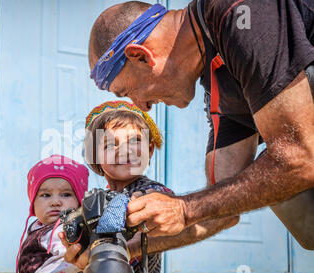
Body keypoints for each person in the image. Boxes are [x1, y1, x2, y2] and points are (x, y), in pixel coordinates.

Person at [85, 1, 314, 250]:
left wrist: (185, 209)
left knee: (289, 157)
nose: (142, 107)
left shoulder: (237, 9)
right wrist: (119, 251)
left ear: (141, 56)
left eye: (129, 91)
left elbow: (302, 157)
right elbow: (221, 210)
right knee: (284, 192)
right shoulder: (220, 89)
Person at [64, 100, 171, 273]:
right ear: (94, 156)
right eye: (110, 144)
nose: (124, 150)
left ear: (149, 149)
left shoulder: (152, 192)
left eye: (135, 141)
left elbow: (160, 215)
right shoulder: (92, 203)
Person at [16, 154, 89, 273]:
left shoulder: (66, 231)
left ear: (79, 201)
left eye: (66, 194)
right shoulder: (39, 227)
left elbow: (65, 264)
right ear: (33, 201)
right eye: (46, 195)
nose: (55, 202)